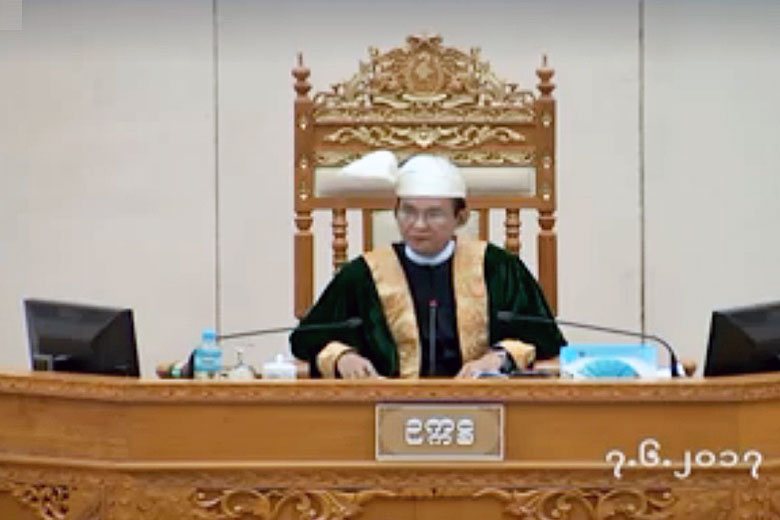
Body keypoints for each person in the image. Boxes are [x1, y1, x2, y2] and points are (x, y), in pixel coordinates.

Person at [290, 152, 565, 379]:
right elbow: (306, 340)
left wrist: (499, 357)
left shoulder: (497, 268)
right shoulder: (363, 274)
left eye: (434, 214)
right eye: (408, 212)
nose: (418, 225)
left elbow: (544, 338)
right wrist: (343, 357)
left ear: (460, 217)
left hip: (483, 404)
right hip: (383, 405)